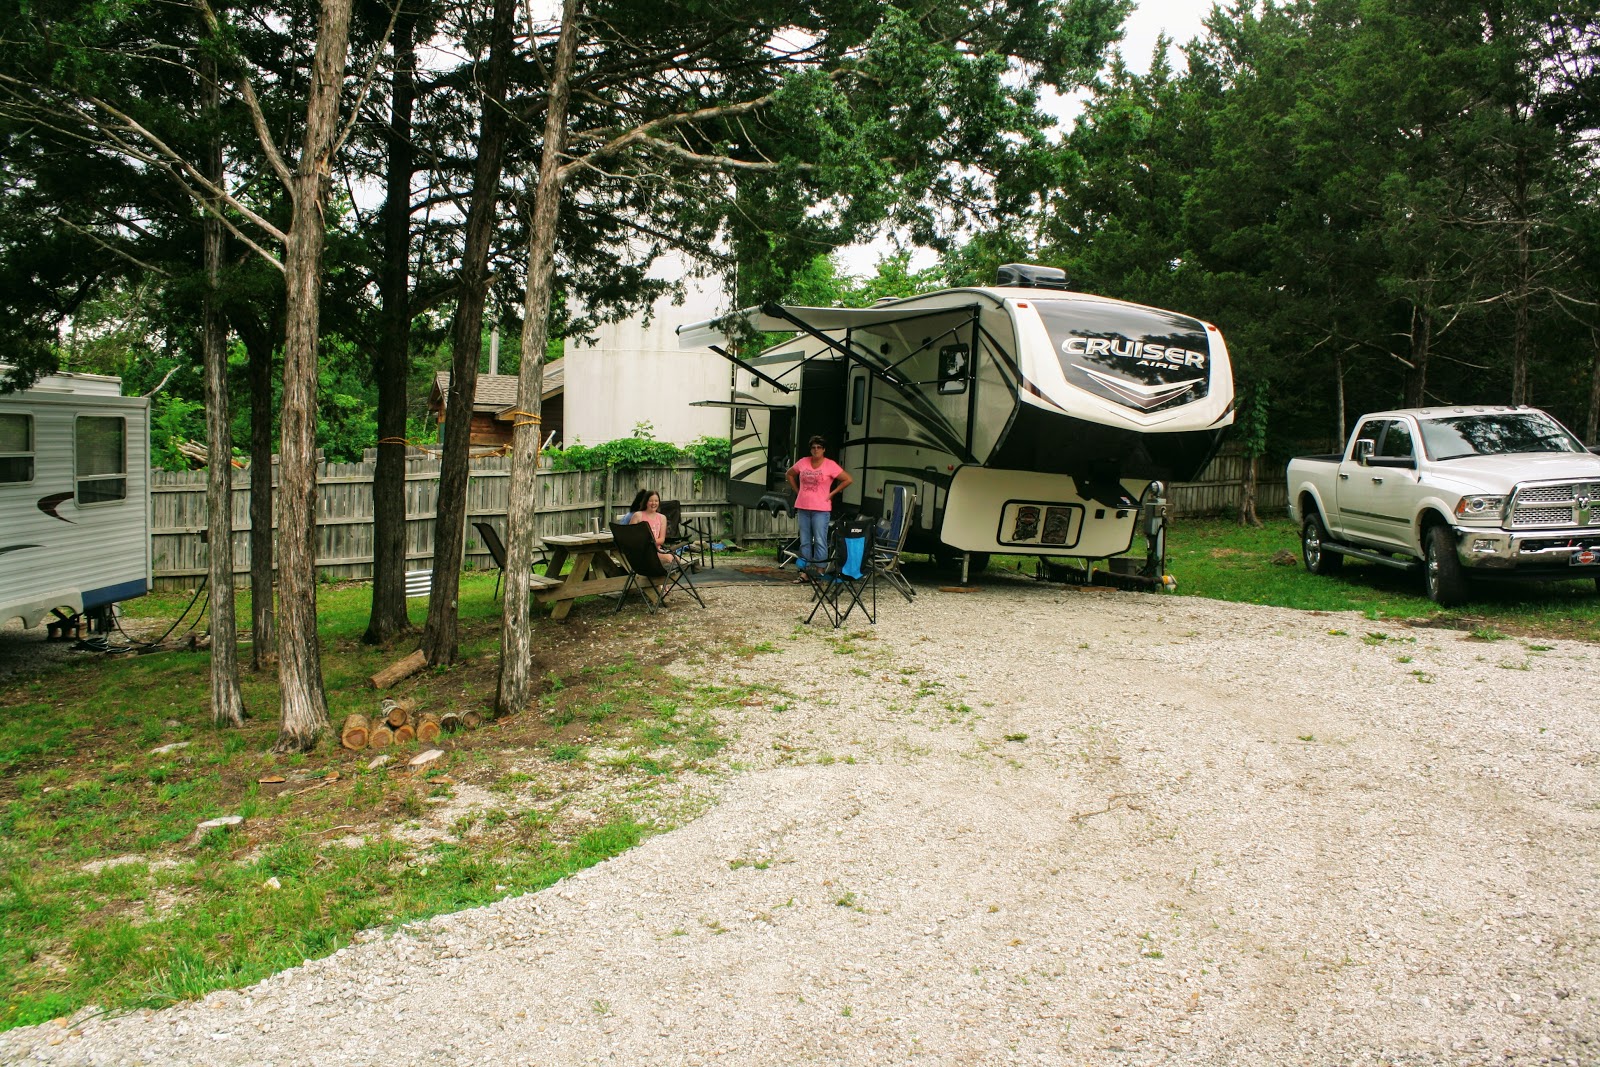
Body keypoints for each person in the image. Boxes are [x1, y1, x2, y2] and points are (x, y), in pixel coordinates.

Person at [787, 436, 853, 574]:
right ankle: (803, 572)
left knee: (819, 540)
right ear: (810, 449)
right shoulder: (803, 462)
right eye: (813, 447)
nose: (816, 450)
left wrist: (832, 493)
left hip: (821, 509)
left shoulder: (830, 464)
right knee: (804, 540)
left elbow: (848, 479)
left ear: (824, 449)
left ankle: (820, 571)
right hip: (803, 506)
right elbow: (789, 474)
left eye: (819, 447)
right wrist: (798, 491)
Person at [624, 489, 677, 566]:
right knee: (670, 559)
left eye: (656, 501)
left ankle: (661, 577)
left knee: (677, 559)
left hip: (656, 551)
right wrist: (644, 543)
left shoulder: (662, 518)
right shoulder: (638, 515)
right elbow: (630, 536)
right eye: (651, 501)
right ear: (646, 502)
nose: (654, 503)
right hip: (641, 552)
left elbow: (661, 540)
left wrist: (649, 542)